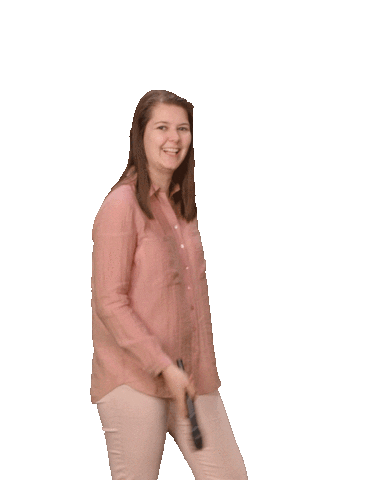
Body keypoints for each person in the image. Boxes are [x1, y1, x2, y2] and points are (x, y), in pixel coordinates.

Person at [91, 90, 248, 479]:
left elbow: (193, 301)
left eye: (182, 128)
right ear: (140, 135)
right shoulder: (121, 205)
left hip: (192, 378)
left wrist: (200, 369)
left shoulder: (182, 209)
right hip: (134, 380)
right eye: (162, 127)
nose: (173, 138)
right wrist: (162, 366)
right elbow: (109, 301)